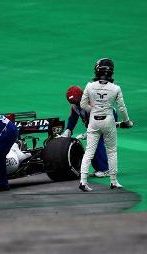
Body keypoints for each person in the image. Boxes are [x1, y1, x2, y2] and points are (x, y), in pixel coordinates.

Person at [78, 58, 133, 192]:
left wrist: (94, 110)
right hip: (108, 120)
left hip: (94, 121)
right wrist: (127, 121)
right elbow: (121, 108)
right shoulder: (115, 88)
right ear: (111, 71)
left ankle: (83, 182)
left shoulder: (89, 86)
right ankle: (113, 181)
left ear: (97, 70)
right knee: (112, 151)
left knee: (89, 152)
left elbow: (82, 105)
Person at [61, 85, 117, 177]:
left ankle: (106, 169)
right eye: (74, 103)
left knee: (97, 141)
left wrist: (87, 133)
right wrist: (68, 129)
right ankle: (99, 169)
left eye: (78, 102)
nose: (77, 104)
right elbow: (73, 118)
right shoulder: (75, 105)